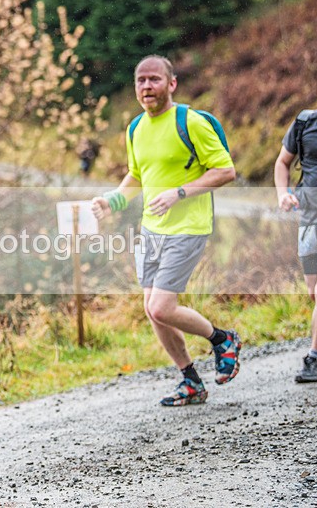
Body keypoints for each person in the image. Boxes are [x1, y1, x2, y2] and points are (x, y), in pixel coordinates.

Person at [91, 55, 241, 406]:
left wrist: (180, 192)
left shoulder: (190, 122)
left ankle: (223, 339)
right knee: (151, 308)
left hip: (189, 226)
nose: (147, 87)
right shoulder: (135, 129)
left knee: (161, 306)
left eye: (154, 80)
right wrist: (111, 202)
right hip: (152, 230)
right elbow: (137, 177)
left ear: (171, 84)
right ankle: (190, 380)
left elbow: (225, 170)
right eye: (140, 80)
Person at [274, 66, 317, 384]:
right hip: (308, 219)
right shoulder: (304, 123)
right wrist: (283, 195)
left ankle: (314, 359)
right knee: (316, 295)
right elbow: (282, 162)